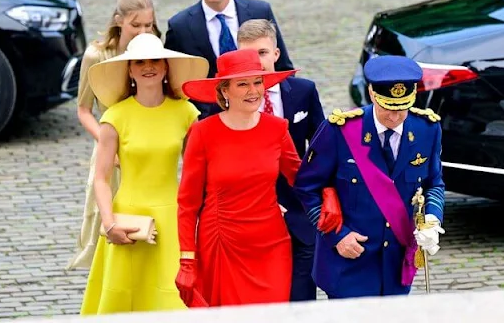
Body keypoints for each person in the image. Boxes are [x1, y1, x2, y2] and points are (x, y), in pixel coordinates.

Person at [292, 55, 446, 298]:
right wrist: (337, 235)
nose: (395, 117)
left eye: (402, 108)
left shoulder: (427, 129)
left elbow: (434, 183)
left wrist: (432, 219)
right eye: (387, 108)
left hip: (396, 265)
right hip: (350, 263)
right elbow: (306, 187)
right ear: (372, 94)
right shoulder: (340, 131)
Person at [79, 33, 209, 314]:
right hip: (127, 219)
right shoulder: (115, 117)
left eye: (155, 61)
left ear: (165, 68)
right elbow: (101, 178)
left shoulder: (186, 113)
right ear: (130, 70)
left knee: (172, 298)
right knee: (125, 299)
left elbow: (199, 173)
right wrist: (110, 224)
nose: (148, 66)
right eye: (139, 62)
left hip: (173, 218)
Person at [175, 48, 301, 307]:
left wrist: (330, 192)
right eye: (242, 84)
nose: (253, 90)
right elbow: (187, 204)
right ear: (224, 90)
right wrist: (187, 259)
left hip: (271, 245)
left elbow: (302, 178)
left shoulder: (277, 128)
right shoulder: (203, 133)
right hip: (223, 244)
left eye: (258, 82)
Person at [67, 0, 162, 270]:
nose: (143, 31)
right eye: (136, 25)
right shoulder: (97, 55)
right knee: (106, 220)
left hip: (146, 146)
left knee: (148, 221)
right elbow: (83, 110)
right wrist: (107, 144)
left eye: (148, 24)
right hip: (111, 149)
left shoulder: (155, 49)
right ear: (119, 20)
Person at [236, 19, 324, 301]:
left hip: (301, 216)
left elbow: (321, 148)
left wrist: (320, 198)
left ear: (275, 54)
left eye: (262, 53)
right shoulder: (230, 101)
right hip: (255, 219)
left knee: (302, 301)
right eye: (248, 55)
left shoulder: (303, 91)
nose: (257, 62)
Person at [164, 0, 294, 119]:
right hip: (209, 121)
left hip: (262, 113)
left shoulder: (259, 11)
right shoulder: (180, 26)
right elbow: (175, 84)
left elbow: (283, 67)